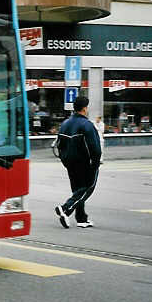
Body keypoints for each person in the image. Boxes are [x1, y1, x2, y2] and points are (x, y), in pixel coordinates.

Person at [54, 96, 102, 229]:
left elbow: (59, 146)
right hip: (85, 163)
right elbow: (95, 148)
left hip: (70, 163)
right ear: (85, 108)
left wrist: (65, 161)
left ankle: (81, 218)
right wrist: (95, 164)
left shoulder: (65, 124)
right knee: (88, 188)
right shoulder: (87, 125)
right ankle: (65, 208)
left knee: (77, 190)